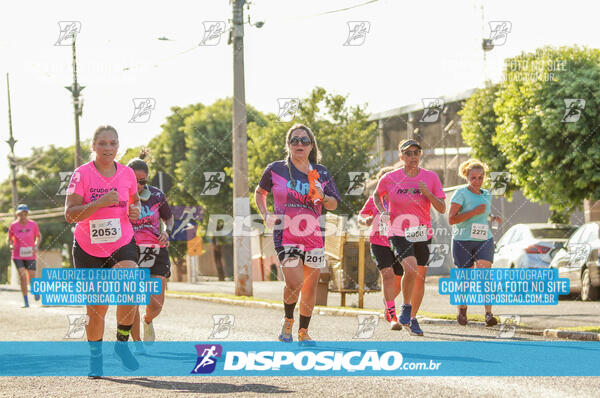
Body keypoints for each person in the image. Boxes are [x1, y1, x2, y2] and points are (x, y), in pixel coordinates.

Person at [64, 125, 141, 376]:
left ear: (118, 146)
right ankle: (95, 357)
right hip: (88, 246)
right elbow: (70, 214)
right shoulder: (81, 174)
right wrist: (99, 202)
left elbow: (134, 199)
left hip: (122, 241)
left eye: (113, 143)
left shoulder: (128, 173)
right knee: (97, 307)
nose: (108, 148)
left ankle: (121, 344)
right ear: (93, 146)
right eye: (103, 143)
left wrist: (135, 209)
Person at [255, 124, 340, 345]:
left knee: (310, 286)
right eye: (294, 140)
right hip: (286, 235)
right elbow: (260, 192)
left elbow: (333, 204)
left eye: (304, 140)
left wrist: (323, 195)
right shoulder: (275, 169)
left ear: (311, 145)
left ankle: (303, 332)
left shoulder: (320, 173)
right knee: (295, 282)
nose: (299, 144)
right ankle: (288, 320)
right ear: (289, 145)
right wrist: (265, 214)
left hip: (313, 236)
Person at [373, 139, 446, 336]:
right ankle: (405, 307)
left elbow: (441, 207)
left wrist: (428, 194)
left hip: (422, 232)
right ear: (401, 156)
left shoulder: (430, 177)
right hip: (397, 230)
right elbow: (376, 195)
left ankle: (412, 319)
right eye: (408, 153)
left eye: (416, 153)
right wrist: (383, 211)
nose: (413, 157)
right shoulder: (390, 178)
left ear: (420, 155)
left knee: (419, 277)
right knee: (411, 266)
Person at [127, 150, 174, 347]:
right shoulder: (120, 197)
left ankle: (148, 320)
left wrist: (167, 231)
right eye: (134, 181)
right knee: (133, 300)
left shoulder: (157, 195)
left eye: (143, 181)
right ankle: (137, 342)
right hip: (129, 250)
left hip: (155, 250)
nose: (139, 186)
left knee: (156, 303)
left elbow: (168, 218)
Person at [448, 159, 501, 326]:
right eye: (473, 178)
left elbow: (483, 214)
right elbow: (451, 219)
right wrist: (472, 212)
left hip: (484, 239)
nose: (477, 181)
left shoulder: (487, 194)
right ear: (467, 177)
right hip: (463, 240)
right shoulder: (460, 194)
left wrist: (492, 218)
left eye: (480, 177)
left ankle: (488, 314)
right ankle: (462, 312)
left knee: (486, 276)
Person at [358, 166, 404, 330]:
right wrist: (366, 220)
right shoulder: (373, 199)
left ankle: (388, 303)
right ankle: (392, 314)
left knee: (398, 281)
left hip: (399, 242)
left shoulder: (400, 198)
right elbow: (361, 216)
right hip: (379, 242)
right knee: (388, 275)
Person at [8, 204, 42, 307]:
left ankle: (35, 291)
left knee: (31, 277)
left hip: (30, 254)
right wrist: (10, 245)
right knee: (22, 276)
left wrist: (36, 245)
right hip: (17, 255)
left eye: (24, 214)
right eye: (20, 214)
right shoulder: (13, 226)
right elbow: (9, 239)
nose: (23, 216)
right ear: (17, 215)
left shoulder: (33, 224)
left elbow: (38, 236)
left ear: (27, 214)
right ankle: (26, 301)